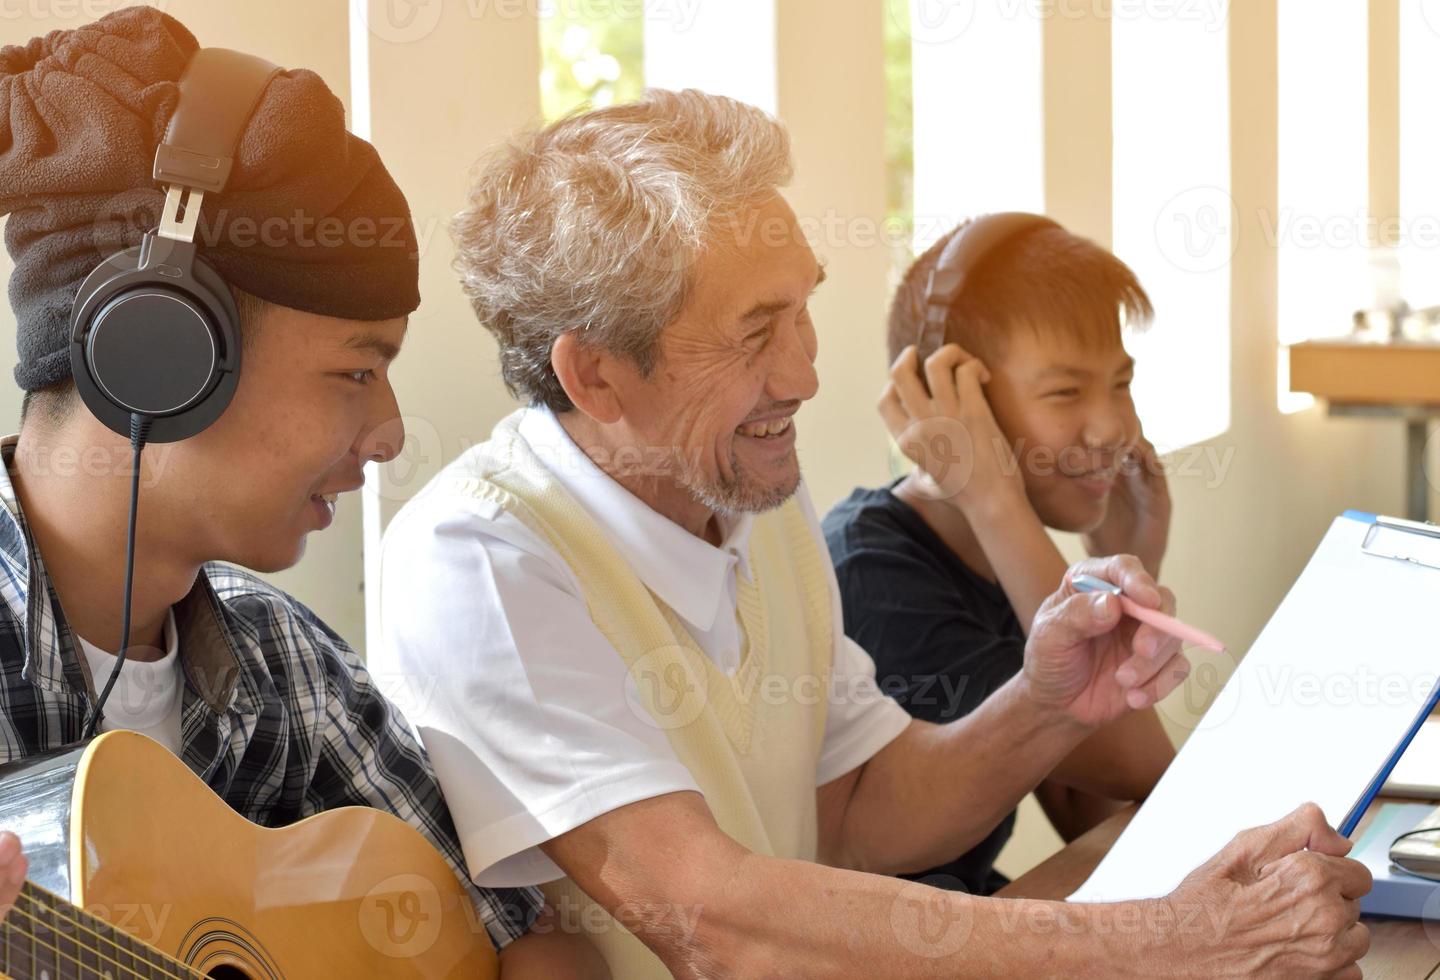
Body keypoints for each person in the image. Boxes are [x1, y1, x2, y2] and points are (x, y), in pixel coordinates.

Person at [374, 88, 1371, 978]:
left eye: (804, 310)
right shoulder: (483, 560)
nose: (805, 373)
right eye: (756, 331)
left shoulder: (748, 493)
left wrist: (1048, 700)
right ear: (595, 374)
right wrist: (1167, 940)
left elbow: (858, 810)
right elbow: (718, 925)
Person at [0, 9, 606, 974]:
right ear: (157, 360)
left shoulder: (283, 664)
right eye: (356, 371)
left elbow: (534, 945)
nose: (394, 431)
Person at [823, 216, 1176, 896]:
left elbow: (1090, 805)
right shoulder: (877, 579)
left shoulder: (1004, 564)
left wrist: (1127, 568)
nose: (1112, 429)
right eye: (1066, 392)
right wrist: (993, 497)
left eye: (1121, 384)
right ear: (951, 398)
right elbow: (1141, 767)